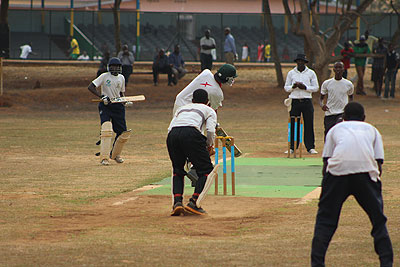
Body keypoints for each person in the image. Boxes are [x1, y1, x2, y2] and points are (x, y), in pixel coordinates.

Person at [311, 102, 393, 267]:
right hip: (366, 173)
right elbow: (378, 164)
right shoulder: (372, 130)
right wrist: (374, 192)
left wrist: (327, 189)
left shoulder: (335, 129)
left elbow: (326, 162)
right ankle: (386, 262)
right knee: (378, 222)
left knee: (325, 221)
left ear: (344, 118)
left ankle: (317, 264)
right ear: (364, 118)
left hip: (337, 173)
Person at [167, 89, 217, 216]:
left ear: (192, 100)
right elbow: (210, 130)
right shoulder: (209, 110)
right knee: (206, 171)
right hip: (191, 134)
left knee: (177, 170)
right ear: (207, 102)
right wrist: (209, 145)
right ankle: (193, 203)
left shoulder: (182, 108)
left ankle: (177, 203)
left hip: (172, 135)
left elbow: (170, 127)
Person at [88, 57, 129, 166]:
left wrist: (124, 101)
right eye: (113, 66)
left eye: (117, 66)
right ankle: (104, 158)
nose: (115, 68)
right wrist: (101, 96)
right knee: (106, 129)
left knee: (122, 133)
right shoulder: (104, 76)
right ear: (109, 67)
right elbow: (91, 87)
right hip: (106, 105)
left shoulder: (122, 78)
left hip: (118, 107)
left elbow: (121, 93)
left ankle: (115, 155)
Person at [284, 54, 319, 154]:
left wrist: (306, 88)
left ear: (305, 62)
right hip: (294, 101)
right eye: (298, 61)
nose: (300, 63)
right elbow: (286, 87)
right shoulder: (291, 73)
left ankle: (310, 147)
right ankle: (292, 147)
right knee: (294, 124)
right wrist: (293, 87)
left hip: (307, 100)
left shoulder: (311, 73)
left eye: (302, 61)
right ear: (296, 62)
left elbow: (316, 87)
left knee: (309, 124)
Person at [173, 63, 237, 115]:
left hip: (179, 101)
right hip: (189, 111)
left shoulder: (206, 72)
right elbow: (213, 111)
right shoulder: (217, 93)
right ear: (227, 78)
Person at [319, 62, 354, 139]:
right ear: (333, 69)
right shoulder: (327, 83)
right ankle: (328, 150)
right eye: (336, 68)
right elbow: (321, 98)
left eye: (340, 68)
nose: (338, 70)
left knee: (339, 131)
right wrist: (322, 105)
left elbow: (351, 97)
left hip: (341, 112)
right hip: (329, 112)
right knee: (328, 134)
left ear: (343, 69)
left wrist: (348, 108)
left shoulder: (348, 84)